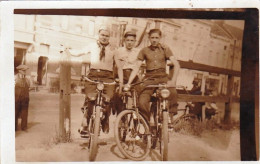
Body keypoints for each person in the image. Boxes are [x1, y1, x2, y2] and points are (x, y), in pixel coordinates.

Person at [65, 25, 116, 135]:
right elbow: (79, 52)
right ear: (98, 35)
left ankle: (105, 120)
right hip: (93, 74)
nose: (104, 37)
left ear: (109, 37)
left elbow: (120, 62)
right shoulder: (92, 46)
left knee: (108, 99)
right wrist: (68, 49)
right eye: (102, 35)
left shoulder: (113, 49)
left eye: (107, 36)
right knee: (90, 99)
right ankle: (85, 124)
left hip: (108, 77)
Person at [125, 28, 180, 126]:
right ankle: (146, 124)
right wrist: (129, 83)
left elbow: (176, 64)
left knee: (173, 92)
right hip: (149, 79)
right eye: (152, 37)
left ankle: (170, 119)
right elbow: (137, 66)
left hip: (163, 77)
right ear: (149, 38)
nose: (154, 40)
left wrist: (173, 81)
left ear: (160, 38)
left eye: (157, 38)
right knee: (142, 101)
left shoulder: (165, 49)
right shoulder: (144, 50)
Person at [113, 31, 141, 114]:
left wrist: (129, 83)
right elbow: (119, 68)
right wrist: (121, 83)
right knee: (117, 95)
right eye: (128, 40)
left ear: (135, 41)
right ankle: (120, 117)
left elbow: (137, 67)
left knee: (139, 95)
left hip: (134, 76)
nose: (130, 43)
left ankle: (136, 115)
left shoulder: (138, 52)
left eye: (132, 40)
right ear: (124, 40)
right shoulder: (118, 51)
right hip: (122, 75)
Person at [15, 64, 30, 131]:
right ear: (19, 71)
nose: (25, 72)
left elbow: (29, 87)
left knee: (24, 113)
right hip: (16, 99)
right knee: (15, 113)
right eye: (23, 71)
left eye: (25, 71)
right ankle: (14, 127)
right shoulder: (14, 78)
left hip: (25, 99)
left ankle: (24, 127)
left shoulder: (27, 79)